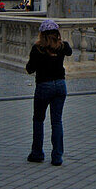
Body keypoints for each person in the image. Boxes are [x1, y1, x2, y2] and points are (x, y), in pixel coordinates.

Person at [26, 18, 72, 165]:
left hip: (44, 86)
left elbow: (30, 69)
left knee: (39, 119)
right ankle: (57, 156)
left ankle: (37, 153)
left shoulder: (38, 48)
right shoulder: (62, 46)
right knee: (57, 121)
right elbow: (69, 52)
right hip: (60, 84)